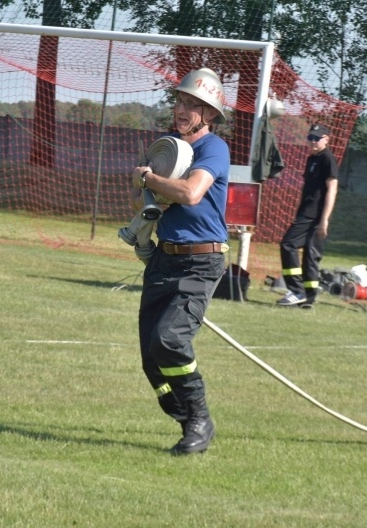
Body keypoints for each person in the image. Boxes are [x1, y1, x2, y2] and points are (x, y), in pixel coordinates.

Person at [128, 68, 230, 455]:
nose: (182, 109)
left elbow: (190, 194)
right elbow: (139, 205)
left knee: (168, 340)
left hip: (200, 263)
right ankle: (187, 418)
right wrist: (143, 187)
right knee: (151, 359)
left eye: (193, 105)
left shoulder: (213, 149)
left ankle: (199, 419)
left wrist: (150, 180)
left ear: (209, 115)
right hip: (163, 260)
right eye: (181, 102)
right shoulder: (167, 147)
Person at [277, 124, 339, 308]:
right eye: (310, 137)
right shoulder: (312, 158)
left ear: (327, 139)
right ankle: (308, 298)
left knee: (288, 244)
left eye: (317, 138)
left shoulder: (327, 159)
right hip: (307, 212)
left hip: (314, 215)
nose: (313, 141)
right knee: (310, 255)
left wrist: (324, 219)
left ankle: (296, 290)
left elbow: (332, 188)